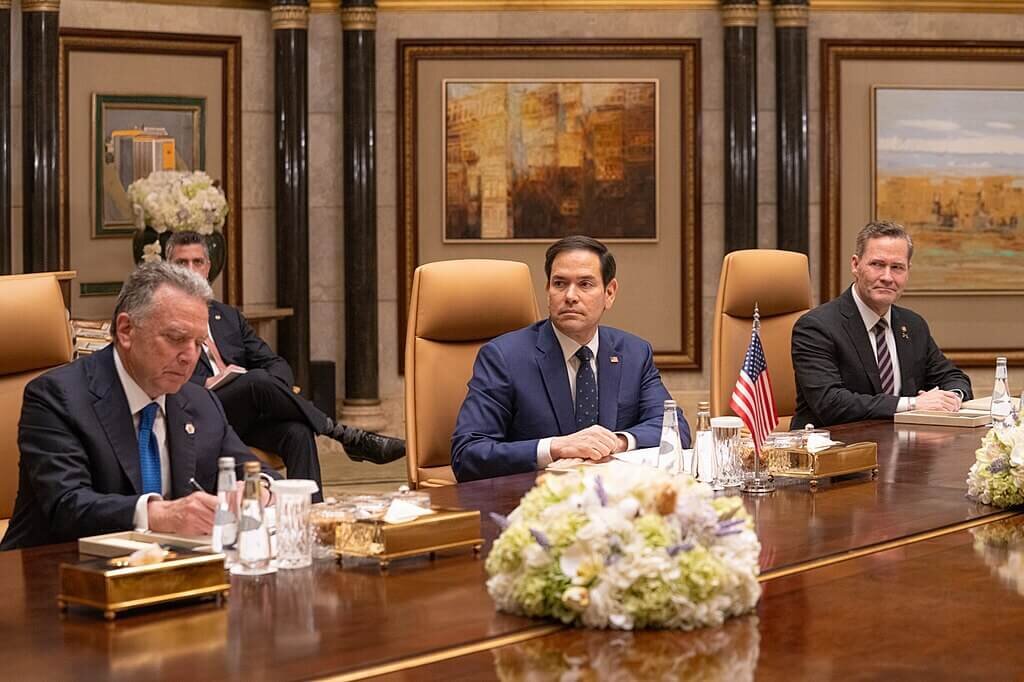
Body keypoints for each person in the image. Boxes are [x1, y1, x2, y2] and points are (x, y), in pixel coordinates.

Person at [1, 264, 277, 550]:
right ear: (126, 330)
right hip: (56, 573)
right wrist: (159, 514)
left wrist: (258, 490)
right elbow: (67, 506)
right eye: (176, 339)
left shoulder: (200, 402)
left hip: (172, 574)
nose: (190, 357)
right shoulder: (57, 397)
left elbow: (258, 472)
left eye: (198, 343)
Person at [164, 231, 404, 494]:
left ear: (208, 268)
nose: (190, 270)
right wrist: (207, 382)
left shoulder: (228, 317)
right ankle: (344, 435)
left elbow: (276, 364)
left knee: (298, 431)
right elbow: (161, 372)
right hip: (198, 411)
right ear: (167, 270)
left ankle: (311, 518)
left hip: (246, 414)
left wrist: (271, 394)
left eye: (197, 262)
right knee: (256, 381)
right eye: (181, 264)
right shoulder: (163, 320)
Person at [451, 235, 686, 482]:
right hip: (533, 503)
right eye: (560, 284)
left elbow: (674, 429)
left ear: (609, 292)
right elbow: (467, 454)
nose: (570, 296)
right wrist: (555, 447)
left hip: (613, 502)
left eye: (585, 284)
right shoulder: (504, 357)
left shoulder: (634, 353)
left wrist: (616, 442)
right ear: (548, 290)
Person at [791, 220, 973, 430]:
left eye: (897, 267)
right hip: (835, 449)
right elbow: (830, 403)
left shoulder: (913, 325)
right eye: (877, 264)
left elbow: (953, 377)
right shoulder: (816, 326)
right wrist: (913, 404)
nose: (887, 277)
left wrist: (951, 398)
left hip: (903, 448)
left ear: (908, 271)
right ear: (855, 265)